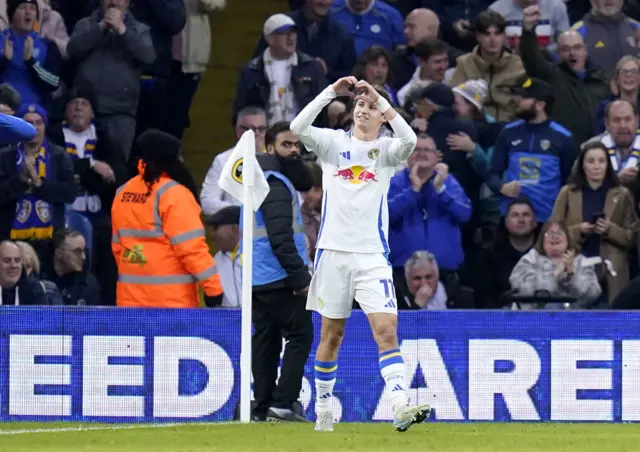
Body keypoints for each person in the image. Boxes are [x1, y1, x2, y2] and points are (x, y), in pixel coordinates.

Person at [290, 76, 429, 433]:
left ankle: (399, 404)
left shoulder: (386, 151)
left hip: (371, 257)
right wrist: (330, 93)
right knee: (330, 337)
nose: (364, 110)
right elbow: (297, 126)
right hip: (333, 254)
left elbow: (410, 140)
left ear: (383, 115)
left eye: (371, 107)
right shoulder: (332, 143)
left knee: (386, 331)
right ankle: (323, 407)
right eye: (360, 105)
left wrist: (383, 102)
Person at [242, 121, 314, 422]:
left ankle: (261, 408)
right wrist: (299, 276)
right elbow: (280, 236)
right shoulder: (275, 183)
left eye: (296, 145)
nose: (294, 150)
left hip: (259, 276)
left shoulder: (261, 179)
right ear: (270, 148)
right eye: (286, 145)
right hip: (279, 275)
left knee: (266, 343)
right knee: (301, 334)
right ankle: (283, 404)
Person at [111, 129, 223, 308]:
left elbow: (118, 248)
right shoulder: (175, 194)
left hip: (129, 301)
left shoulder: (123, 192)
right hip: (171, 304)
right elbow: (192, 250)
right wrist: (213, 289)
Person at [550, 142, 637, 306]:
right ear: (582, 165)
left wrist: (610, 229)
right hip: (575, 268)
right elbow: (551, 234)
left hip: (612, 272)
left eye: (601, 161)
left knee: (611, 323)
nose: (596, 166)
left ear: (607, 164)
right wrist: (578, 230)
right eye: (590, 161)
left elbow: (631, 237)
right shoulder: (567, 193)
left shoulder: (623, 194)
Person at [509, 220, 602, 309]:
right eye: (549, 233)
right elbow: (525, 291)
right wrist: (555, 274)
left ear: (567, 238)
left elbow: (592, 295)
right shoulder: (530, 259)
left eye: (559, 233)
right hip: (536, 319)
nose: (554, 237)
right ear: (542, 239)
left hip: (575, 320)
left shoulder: (582, 261)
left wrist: (570, 276)